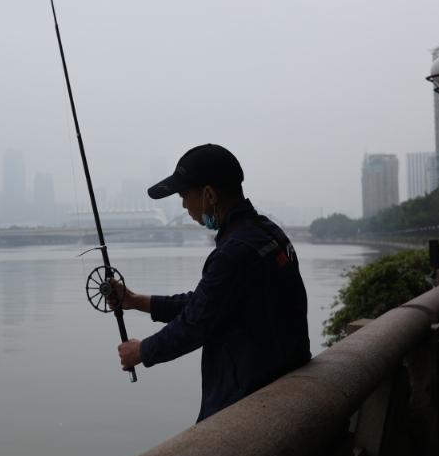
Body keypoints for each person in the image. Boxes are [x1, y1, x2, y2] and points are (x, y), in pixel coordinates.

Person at [114, 143, 310, 423]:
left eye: (184, 196)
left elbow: (196, 324)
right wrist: (135, 301)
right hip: (283, 383)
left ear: (208, 195)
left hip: (249, 404)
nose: (184, 206)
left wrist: (142, 351)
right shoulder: (268, 233)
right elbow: (211, 303)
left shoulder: (234, 253)